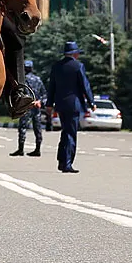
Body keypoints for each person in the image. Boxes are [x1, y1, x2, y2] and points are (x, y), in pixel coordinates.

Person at [47, 41, 95, 173]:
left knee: (65, 132)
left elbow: (52, 87)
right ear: (74, 54)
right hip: (74, 105)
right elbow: (85, 86)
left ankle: (61, 161)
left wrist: (49, 104)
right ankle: (67, 163)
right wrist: (92, 102)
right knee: (70, 134)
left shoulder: (56, 66)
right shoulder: (78, 66)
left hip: (60, 105)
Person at [10, 60, 47, 157]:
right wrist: (39, 102)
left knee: (22, 127)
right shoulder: (38, 80)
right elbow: (44, 95)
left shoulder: (22, 80)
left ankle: (21, 149)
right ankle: (38, 149)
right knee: (37, 128)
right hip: (36, 107)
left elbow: (18, 94)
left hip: (26, 106)